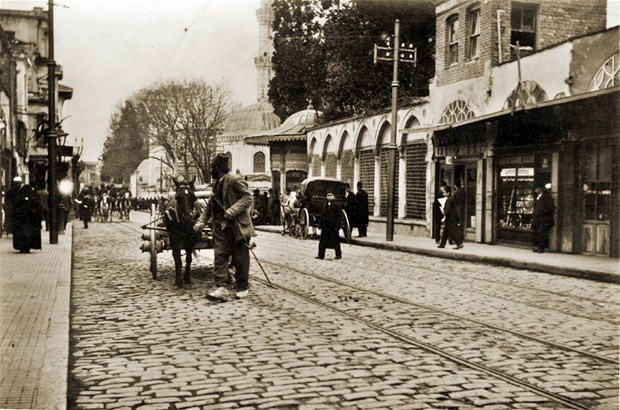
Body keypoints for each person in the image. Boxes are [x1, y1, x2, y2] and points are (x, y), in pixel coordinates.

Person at [194, 154, 256, 301]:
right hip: (221, 227)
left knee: (240, 258)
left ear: (218, 168)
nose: (211, 171)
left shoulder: (234, 180)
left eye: (213, 168)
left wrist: (232, 210)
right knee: (220, 256)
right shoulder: (216, 184)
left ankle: (242, 287)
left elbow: (248, 197)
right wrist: (201, 221)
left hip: (238, 226)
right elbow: (210, 206)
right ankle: (221, 287)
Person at [12, 183, 43, 253]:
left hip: (21, 222)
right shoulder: (33, 198)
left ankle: (22, 247)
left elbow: (15, 210)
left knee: (22, 235)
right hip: (30, 222)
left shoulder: (19, 199)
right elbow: (38, 210)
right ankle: (27, 247)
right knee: (28, 235)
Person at [316, 191, 342, 260]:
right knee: (322, 241)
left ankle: (338, 254)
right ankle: (321, 255)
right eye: (328, 195)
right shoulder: (324, 205)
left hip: (332, 226)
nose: (329, 197)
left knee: (335, 240)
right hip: (325, 225)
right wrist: (320, 224)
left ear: (334, 197)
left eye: (331, 195)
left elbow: (339, 217)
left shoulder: (337, 205)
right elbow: (322, 215)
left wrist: (337, 226)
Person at [437, 185, 463, 249]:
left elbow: (447, 210)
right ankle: (442, 244)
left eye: (444, 192)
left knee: (452, 231)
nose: (443, 193)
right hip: (451, 218)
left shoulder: (449, 200)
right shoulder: (450, 198)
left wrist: (444, 215)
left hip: (450, 218)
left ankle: (459, 243)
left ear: (448, 193)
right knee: (445, 232)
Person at [532, 184, 555, 253]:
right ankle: (537, 246)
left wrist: (542, 212)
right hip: (538, 218)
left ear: (541, 189)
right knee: (537, 233)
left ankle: (541, 248)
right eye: (535, 189)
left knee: (542, 233)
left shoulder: (546, 197)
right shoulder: (537, 197)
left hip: (544, 218)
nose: (536, 191)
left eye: (537, 189)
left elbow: (550, 207)